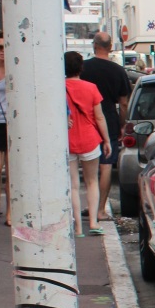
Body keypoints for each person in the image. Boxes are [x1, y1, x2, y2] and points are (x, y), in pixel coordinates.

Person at [80, 31, 131, 221]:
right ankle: (100, 209)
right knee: (106, 165)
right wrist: (122, 124)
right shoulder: (118, 71)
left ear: (94, 46)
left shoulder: (83, 68)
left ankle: (90, 205)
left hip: (86, 118)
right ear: (110, 47)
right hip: (108, 117)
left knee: (87, 163)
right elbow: (124, 103)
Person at [65, 51, 110, 237]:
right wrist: (106, 140)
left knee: (73, 185)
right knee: (91, 182)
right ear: (81, 67)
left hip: (67, 139)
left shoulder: (58, 88)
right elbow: (99, 117)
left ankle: (77, 228)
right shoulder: (91, 88)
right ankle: (93, 222)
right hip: (90, 139)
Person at [0, 31, 8, 226]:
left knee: (14, 173)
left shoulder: (15, 68)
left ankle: (10, 213)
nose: (3, 51)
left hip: (12, 124)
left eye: (6, 47)